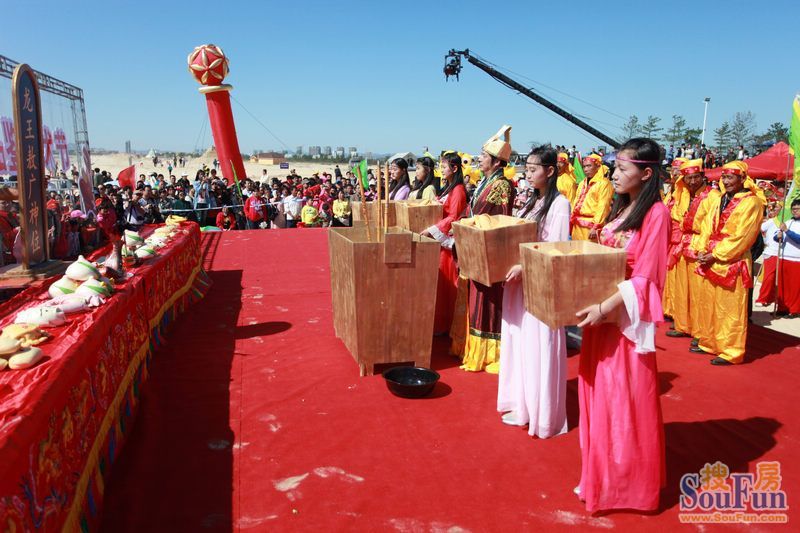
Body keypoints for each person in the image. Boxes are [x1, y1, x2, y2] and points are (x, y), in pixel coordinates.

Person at [574, 137, 668, 513]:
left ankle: (626, 486)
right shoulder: (623, 209)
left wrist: (604, 306)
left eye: (623, 168)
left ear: (646, 173)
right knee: (600, 400)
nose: (615, 174)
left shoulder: (656, 213)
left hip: (622, 322)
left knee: (623, 402)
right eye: (616, 166)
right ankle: (601, 475)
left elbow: (646, 278)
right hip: (602, 317)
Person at [498, 145, 570, 437]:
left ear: (550, 171)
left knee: (538, 345)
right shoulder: (532, 201)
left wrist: (525, 267)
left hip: (539, 284)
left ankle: (542, 413)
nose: (527, 174)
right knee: (519, 344)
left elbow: (556, 248)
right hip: (519, 283)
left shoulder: (559, 203)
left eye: (533, 169)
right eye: (526, 168)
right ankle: (522, 403)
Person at [458, 125, 516, 373]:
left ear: (494, 162)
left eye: (483, 156)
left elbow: (498, 220)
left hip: (489, 250)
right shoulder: (485, 182)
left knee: (488, 301)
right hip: (475, 245)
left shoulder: (502, 185)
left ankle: (492, 352)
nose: (479, 160)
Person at [694, 161, 763, 365]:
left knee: (731, 310)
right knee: (710, 305)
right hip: (711, 258)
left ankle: (731, 351)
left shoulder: (752, 202)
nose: (726, 181)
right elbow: (707, 225)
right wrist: (701, 248)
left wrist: (715, 254)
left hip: (732, 259)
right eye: (723, 177)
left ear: (742, 179)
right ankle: (710, 342)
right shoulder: (721, 199)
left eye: (730, 177)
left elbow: (743, 237)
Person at [421, 151, 467, 335]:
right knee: (441, 284)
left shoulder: (458, 190)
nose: (441, 169)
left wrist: (432, 229)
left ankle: (448, 324)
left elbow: (454, 216)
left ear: (454, 168)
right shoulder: (449, 188)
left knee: (448, 284)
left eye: (444, 166)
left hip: (448, 243)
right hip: (442, 241)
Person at [570, 154, 613, 241]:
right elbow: (576, 202)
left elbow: (603, 206)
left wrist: (596, 226)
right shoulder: (582, 183)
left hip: (591, 227)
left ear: (597, 166)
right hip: (577, 225)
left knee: (589, 252)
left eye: (589, 166)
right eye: (584, 166)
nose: (585, 169)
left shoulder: (604, 183)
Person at [771, 199, 800, 316]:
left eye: (797, 209)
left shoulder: (789, 226)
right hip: (784, 257)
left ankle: (794, 309)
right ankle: (782, 307)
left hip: (797, 259)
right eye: (793, 209)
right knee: (782, 285)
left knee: (794, 287)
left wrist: (787, 231)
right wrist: (778, 236)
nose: (794, 211)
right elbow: (778, 236)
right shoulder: (789, 221)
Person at [756, 203, 785, 308]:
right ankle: (762, 298)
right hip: (772, 252)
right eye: (776, 208)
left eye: (779, 208)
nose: (776, 209)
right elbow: (760, 229)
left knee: (780, 279)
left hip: (784, 254)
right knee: (769, 277)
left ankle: (772, 297)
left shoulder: (788, 222)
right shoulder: (772, 221)